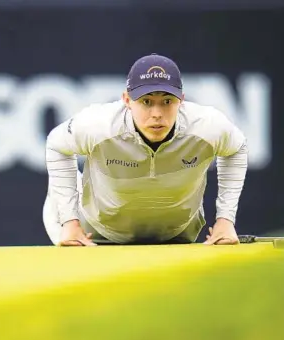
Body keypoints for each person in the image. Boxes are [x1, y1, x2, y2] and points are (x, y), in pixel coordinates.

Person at [43, 53, 248, 246]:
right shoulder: (97, 124)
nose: (157, 113)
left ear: (181, 100)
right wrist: (70, 222)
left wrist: (225, 220)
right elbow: (57, 145)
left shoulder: (207, 125)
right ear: (126, 100)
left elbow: (237, 148)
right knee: (56, 197)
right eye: (146, 102)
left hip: (176, 233)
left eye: (167, 101)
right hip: (97, 232)